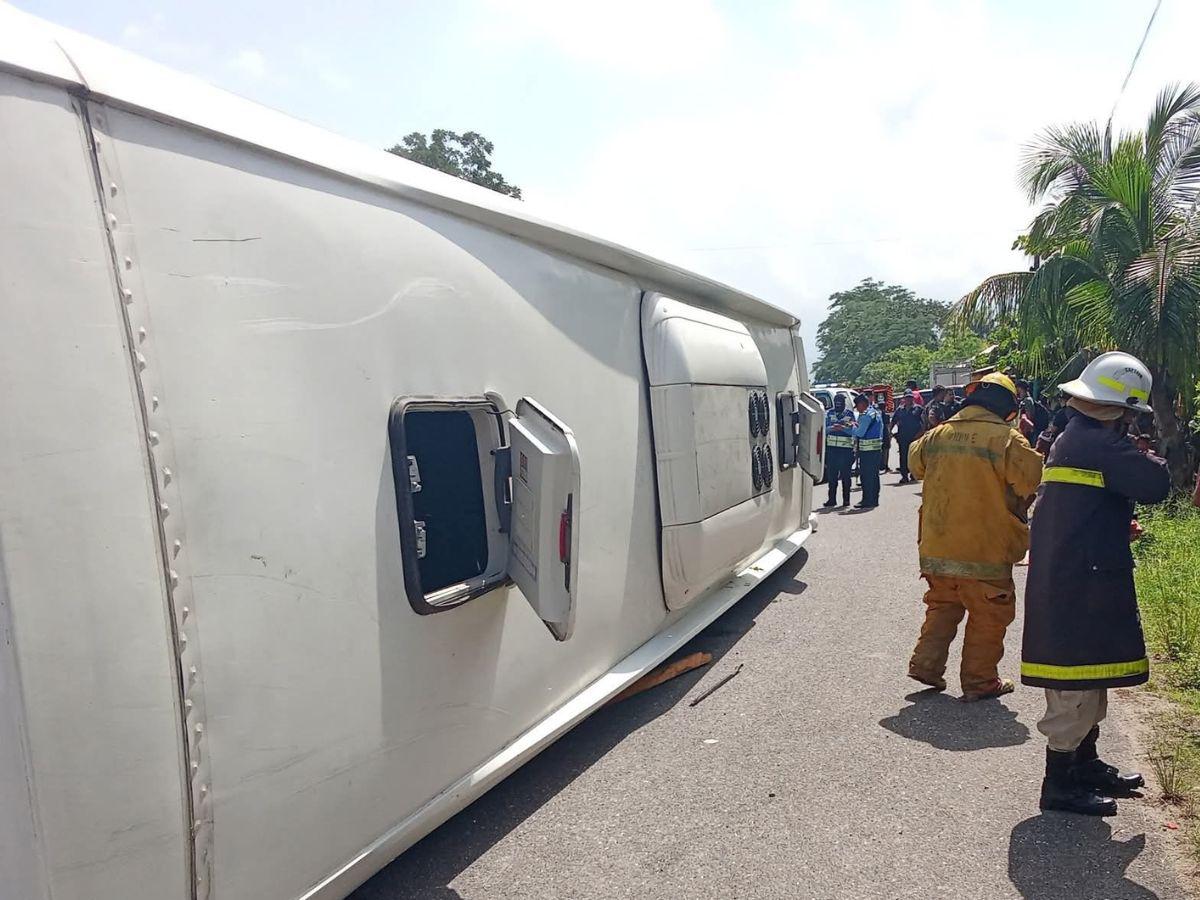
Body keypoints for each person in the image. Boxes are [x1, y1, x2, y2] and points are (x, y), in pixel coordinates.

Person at [1022, 351, 1170, 816]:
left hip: (1079, 576)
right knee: (1073, 689)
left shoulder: (1074, 437)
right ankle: (1060, 784)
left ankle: (1084, 765)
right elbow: (1155, 484)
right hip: (1078, 583)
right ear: (1119, 408)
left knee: (1091, 678)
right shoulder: (1098, 445)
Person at [907, 373, 1043, 700]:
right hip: (985, 550)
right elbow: (1028, 482)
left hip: (937, 546)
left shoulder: (937, 435)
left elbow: (915, 465)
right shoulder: (1008, 439)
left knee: (942, 605)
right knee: (989, 616)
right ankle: (980, 682)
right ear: (1006, 406)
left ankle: (926, 666)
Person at [822, 394, 856, 508]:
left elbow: (853, 431)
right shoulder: (829, 413)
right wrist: (832, 428)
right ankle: (832, 499)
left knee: (846, 476)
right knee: (832, 477)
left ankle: (846, 500)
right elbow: (824, 429)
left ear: (844, 402)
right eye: (836, 401)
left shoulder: (849, 414)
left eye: (840, 401)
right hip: (832, 450)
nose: (838, 403)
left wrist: (842, 429)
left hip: (845, 451)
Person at [850, 393, 883, 508]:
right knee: (874, 476)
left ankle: (867, 500)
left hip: (867, 452)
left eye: (857, 406)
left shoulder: (866, 415)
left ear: (862, 404)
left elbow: (860, 433)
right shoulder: (876, 413)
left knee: (866, 476)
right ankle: (874, 499)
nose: (857, 409)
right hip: (876, 449)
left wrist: (852, 427)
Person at [891, 389, 925, 484]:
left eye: (910, 397)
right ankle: (904, 476)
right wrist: (890, 433)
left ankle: (913, 474)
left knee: (914, 457)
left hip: (915, 438)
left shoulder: (918, 409)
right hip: (903, 438)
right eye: (907, 398)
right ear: (904, 399)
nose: (908, 399)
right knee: (903, 457)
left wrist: (920, 434)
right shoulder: (900, 410)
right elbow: (893, 422)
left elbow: (923, 423)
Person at [877, 395, 892, 473]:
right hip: (885, 433)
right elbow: (888, 426)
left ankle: (880, 465)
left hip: (879, 433)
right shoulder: (886, 415)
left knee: (880, 450)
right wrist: (890, 434)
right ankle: (885, 465)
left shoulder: (876, 414)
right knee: (886, 450)